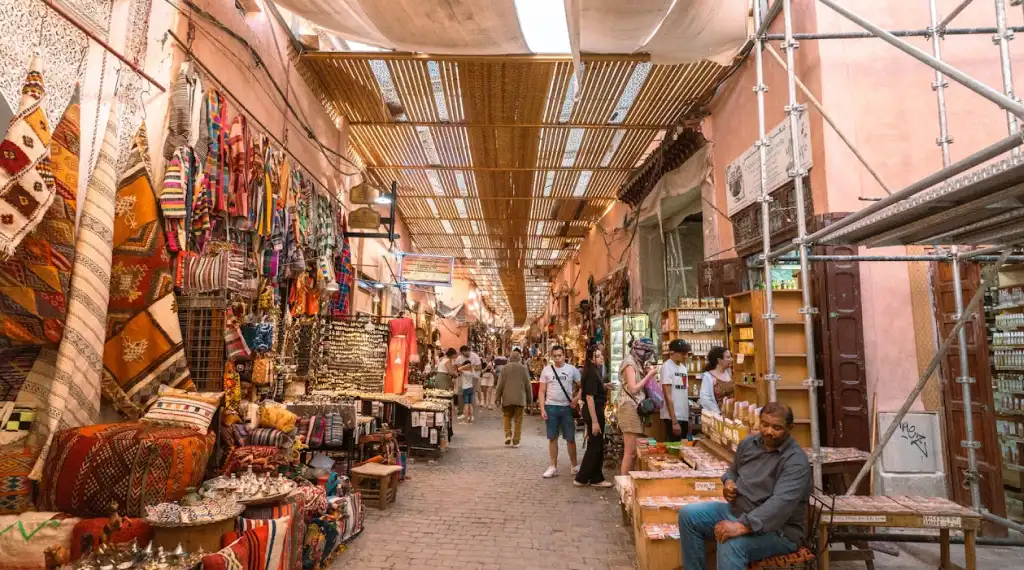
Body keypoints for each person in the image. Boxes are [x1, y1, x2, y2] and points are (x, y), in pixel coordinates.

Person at [677, 402, 811, 570]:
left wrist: (741, 526)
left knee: (731, 542)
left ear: (790, 428)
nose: (769, 431)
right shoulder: (749, 444)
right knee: (688, 515)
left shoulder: (795, 461)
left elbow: (780, 505)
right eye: (765, 424)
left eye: (777, 428)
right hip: (739, 512)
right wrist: (729, 482)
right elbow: (732, 471)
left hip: (778, 530)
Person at [615, 338, 658, 476]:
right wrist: (649, 375)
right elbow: (633, 389)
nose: (648, 356)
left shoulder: (636, 363)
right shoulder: (629, 364)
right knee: (630, 452)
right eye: (647, 352)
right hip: (628, 407)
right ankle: (625, 486)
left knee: (633, 452)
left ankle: (629, 483)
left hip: (633, 407)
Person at [538, 345, 581, 478]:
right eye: (555, 356)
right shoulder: (546, 371)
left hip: (567, 407)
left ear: (564, 356)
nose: (557, 358)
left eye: (559, 355)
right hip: (551, 407)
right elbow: (541, 391)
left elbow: (582, 386)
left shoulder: (571, 370)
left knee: (570, 438)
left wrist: (576, 398)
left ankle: (574, 465)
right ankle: (553, 466)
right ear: (552, 356)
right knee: (552, 438)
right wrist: (542, 408)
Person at [574, 346, 612, 488]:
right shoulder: (590, 373)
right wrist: (595, 421)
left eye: (601, 355)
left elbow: (593, 390)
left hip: (595, 411)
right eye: (597, 356)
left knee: (596, 445)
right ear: (591, 358)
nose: (601, 358)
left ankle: (595, 477)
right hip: (594, 412)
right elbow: (589, 398)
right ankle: (583, 477)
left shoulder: (593, 371)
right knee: (594, 445)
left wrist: (604, 385)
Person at [495, 350, 532, 447]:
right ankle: (516, 440)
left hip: (507, 398)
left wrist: (497, 398)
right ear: (519, 358)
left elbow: (500, 385)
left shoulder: (504, 369)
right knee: (518, 419)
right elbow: (528, 385)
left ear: (510, 358)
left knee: (507, 417)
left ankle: (508, 435)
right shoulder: (524, 369)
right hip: (520, 398)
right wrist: (530, 400)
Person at [660, 339, 692, 441]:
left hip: (683, 415)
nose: (686, 356)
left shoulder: (683, 368)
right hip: (672, 417)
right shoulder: (666, 367)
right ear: (672, 352)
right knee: (674, 448)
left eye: (687, 353)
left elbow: (684, 392)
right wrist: (674, 421)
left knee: (684, 447)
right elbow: (667, 395)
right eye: (683, 353)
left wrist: (688, 417)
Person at [699, 346, 734, 414]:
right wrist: (718, 413)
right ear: (719, 360)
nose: (731, 359)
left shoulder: (731, 373)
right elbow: (705, 399)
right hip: (718, 416)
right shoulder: (708, 376)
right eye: (728, 357)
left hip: (734, 414)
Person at [456, 345, 481, 422]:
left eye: (465, 353)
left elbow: (479, 367)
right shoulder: (460, 357)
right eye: (462, 354)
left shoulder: (475, 356)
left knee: (471, 397)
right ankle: (463, 413)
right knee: (460, 394)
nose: (464, 355)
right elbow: (457, 367)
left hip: (473, 378)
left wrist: (470, 367)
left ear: (468, 350)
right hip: (465, 378)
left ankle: (468, 414)